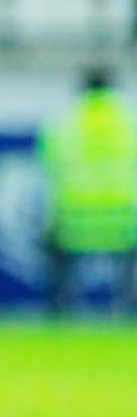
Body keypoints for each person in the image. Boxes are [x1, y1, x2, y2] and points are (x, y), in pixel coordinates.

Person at [39, 69, 137, 315]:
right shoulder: (129, 122)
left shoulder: (64, 123)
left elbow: (47, 166)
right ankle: (128, 303)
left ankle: (62, 305)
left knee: (52, 249)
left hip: (74, 221)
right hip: (124, 221)